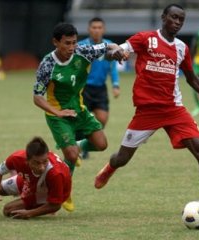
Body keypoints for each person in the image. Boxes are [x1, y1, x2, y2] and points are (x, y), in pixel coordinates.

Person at [94, 4, 199, 192]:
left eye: (181, 19)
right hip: (147, 111)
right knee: (122, 158)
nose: (177, 22)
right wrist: (113, 53)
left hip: (173, 109)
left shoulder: (182, 48)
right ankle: (109, 168)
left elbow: (192, 79)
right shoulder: (145, 39)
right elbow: (113, 51)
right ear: (164, 17)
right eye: (174, 17)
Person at [33, 23, 126, 211]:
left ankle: (81, 145)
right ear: (55, 42)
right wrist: (57, 112)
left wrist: (117, 51)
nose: (71, 48)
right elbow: (37, 97)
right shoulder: (47, 64)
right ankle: (65, 192)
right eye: (67, 43)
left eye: (74, 43)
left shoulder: (83, 52)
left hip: (79, 110)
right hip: (58, 116)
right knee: (72, 155)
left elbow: (109, 46)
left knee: (101, 144)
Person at [78, 17, 121, 159]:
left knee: (102, 118)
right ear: (89, 29)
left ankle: (86, 142)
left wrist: (115, 85)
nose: (96, 30)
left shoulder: (109, 46)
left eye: (99, 27)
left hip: (100, 89)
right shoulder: (82, 46)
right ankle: (80, 147)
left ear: (103, 29)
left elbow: (113, 68)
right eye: (94, 27)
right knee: (83, 119)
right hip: (83, 89)